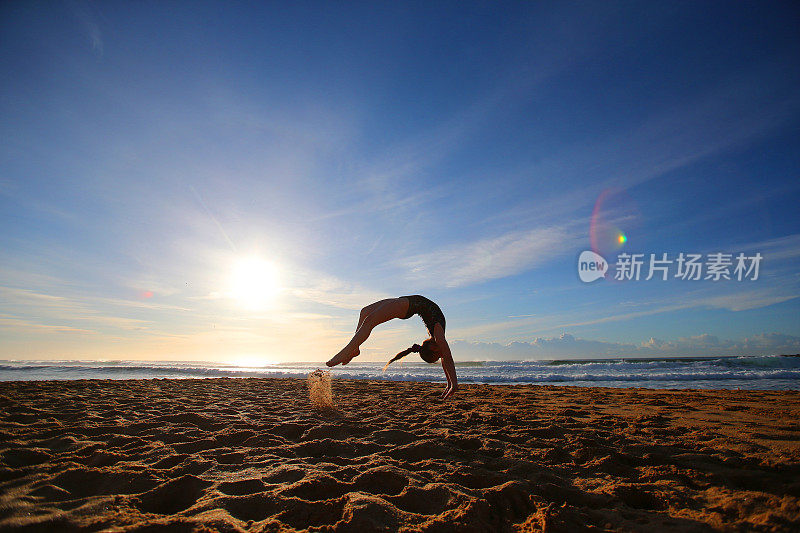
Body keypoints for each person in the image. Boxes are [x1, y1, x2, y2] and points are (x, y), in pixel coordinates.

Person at [326, 295, 458, 399]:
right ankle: (355, 349)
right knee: (364, 312)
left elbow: (446, 359)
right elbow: (447, 358)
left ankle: (347, 350)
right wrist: (452, 383)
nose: (442, 355)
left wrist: (452, 383)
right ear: (435, 349)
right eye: (439, 355)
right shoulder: (439, 337)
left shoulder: (438, 336)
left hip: (406, 306)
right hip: (404, 302)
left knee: (370, 320)